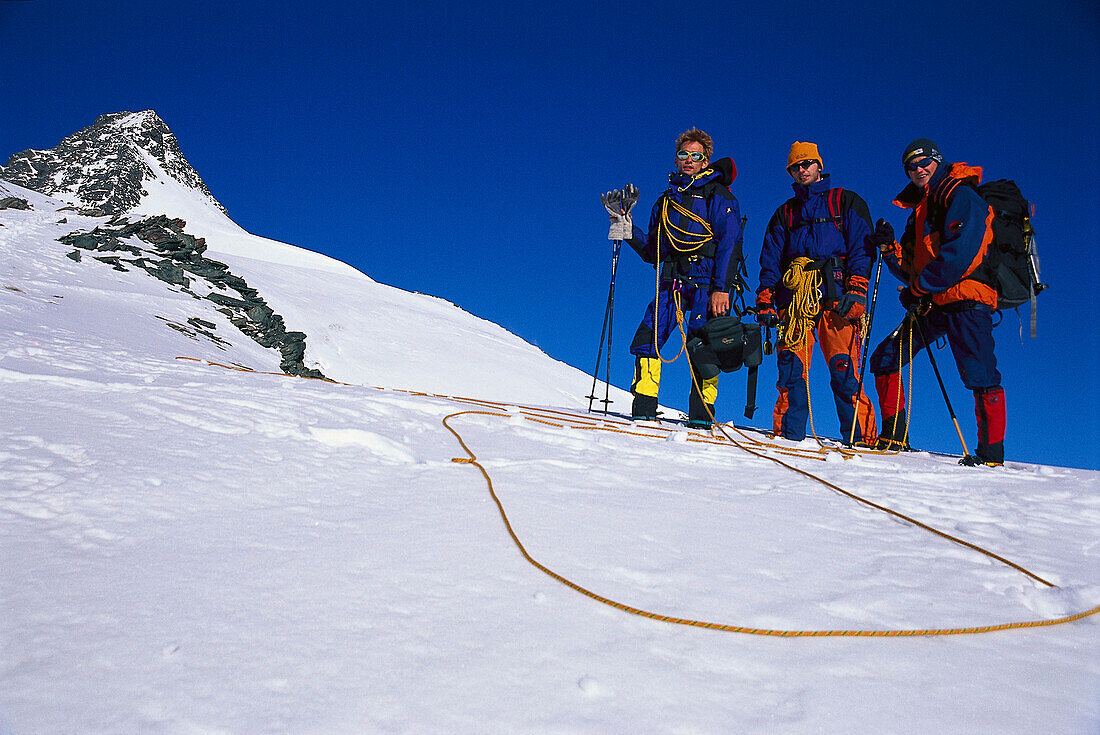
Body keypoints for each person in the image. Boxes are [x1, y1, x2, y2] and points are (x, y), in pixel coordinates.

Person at [867, 138, 1005, 466]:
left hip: (968, 298)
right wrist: (889, 251)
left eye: (923, 162)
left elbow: (962, 254)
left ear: (937, 160)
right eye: (910, 166)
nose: (917, 169)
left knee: (980, 374)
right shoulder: (922, 211)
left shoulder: (959, 195)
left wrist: (920, 288)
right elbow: (915, 269)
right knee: (885, 358)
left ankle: (990, 457)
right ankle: (894, 438)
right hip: (935, 302)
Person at [611, 128, 742, 427]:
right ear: (676, 158)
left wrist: (722, 289)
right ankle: (643, 407)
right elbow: (654, 250)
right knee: (648, 339)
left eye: (696, 156)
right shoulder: (665, 201)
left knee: (705, 348)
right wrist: (628, 229)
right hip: (671, 282)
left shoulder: (719, 196)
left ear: (706, 161)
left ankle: (701, 416)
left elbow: (729, 243)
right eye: (684, 154)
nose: (689, 160)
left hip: (706, 286)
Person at [755, 142, 878, 444]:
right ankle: (788, 436)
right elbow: (771, 259)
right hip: (794, 301)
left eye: (807, 163)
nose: (802, 169)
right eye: (796, 166)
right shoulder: (784, 214)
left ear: (819, 166)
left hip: (838, 298)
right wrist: (765, 298)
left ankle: (861, 439)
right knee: (791, 369)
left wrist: (858, 288)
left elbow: (862, 249)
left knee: (844, 369)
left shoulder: (846, 201)